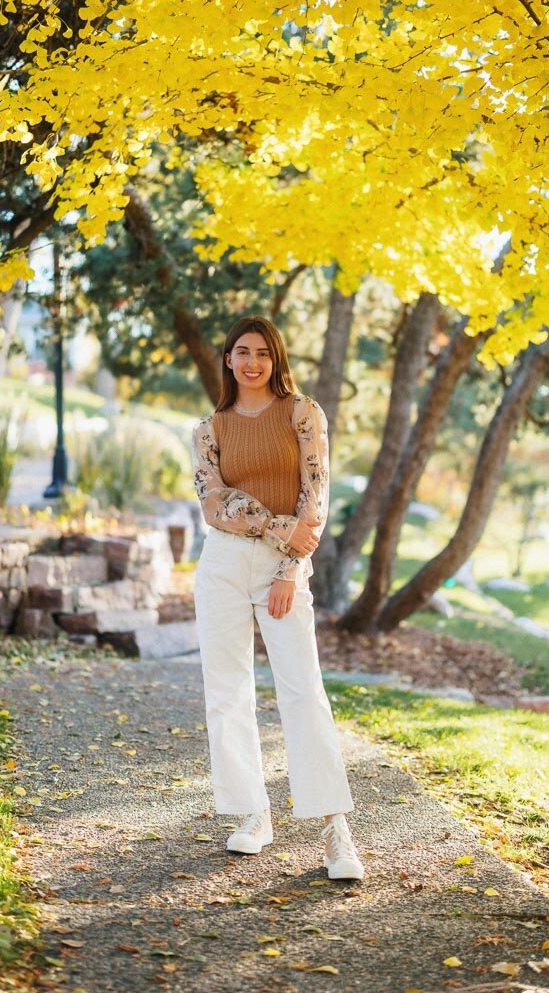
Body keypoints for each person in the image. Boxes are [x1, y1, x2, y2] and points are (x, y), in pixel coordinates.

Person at [190, 315, 364, 880]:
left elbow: (316, 497)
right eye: (241, 351)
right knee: (226, 692)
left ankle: (335, 830)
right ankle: (252, 813)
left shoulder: (303, 414)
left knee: (302, 691)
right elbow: (215, 504)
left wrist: (290, 565)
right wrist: (275, 525)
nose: (252, 362)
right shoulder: (208, 429)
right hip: (222, 563)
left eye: (263, 352)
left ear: (276, 359)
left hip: (282, 571)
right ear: (227, 359)